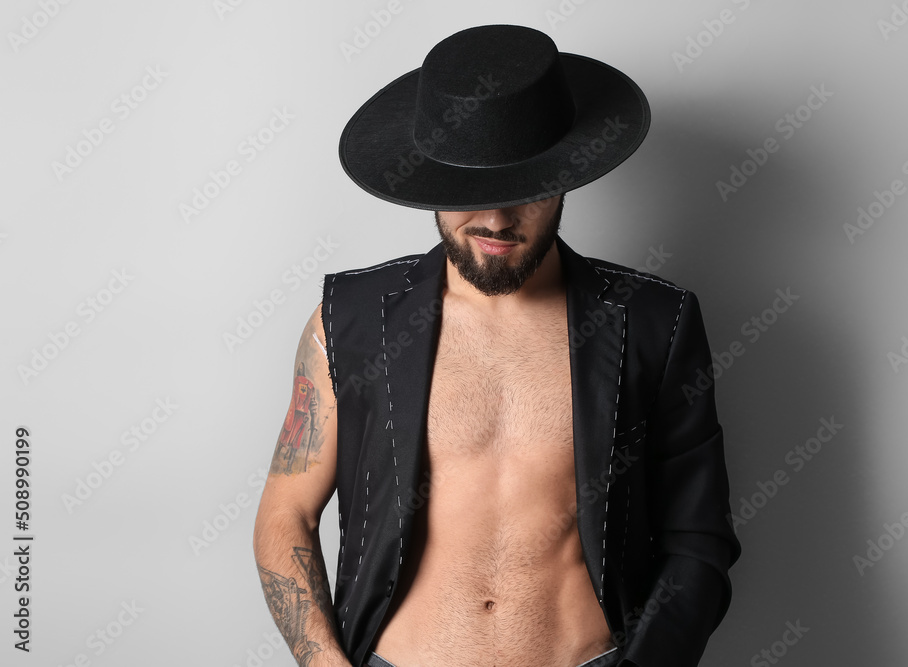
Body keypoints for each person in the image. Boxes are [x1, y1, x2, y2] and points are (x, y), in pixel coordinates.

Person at [253, 24, 740, 667]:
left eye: (526, 185)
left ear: (567, 177)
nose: (496, 219)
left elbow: (698, 542)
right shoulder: (351, 322)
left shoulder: (654, 323)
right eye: (466, 192)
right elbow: (286, 513)